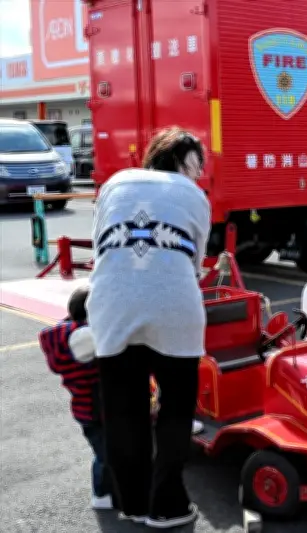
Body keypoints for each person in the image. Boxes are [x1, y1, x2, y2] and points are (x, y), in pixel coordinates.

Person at [88, 127, 211, 528]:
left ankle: (133, 504)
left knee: (124, 411)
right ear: (184, 164)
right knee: (175, 410)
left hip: (112, 305)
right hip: (174, 309)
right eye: (196, 166)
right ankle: (168, 507)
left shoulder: (115, 183)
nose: (197, 175)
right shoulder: (194, 194)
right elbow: (194, 261)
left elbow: (100, 248)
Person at [38, 286, 114, 511]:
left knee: (104, 452)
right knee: (105, 454)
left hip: (84, 409)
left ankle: (108, 489)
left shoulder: (63, 338)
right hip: (96, 409)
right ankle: (101, 493)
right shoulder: (85, 342)